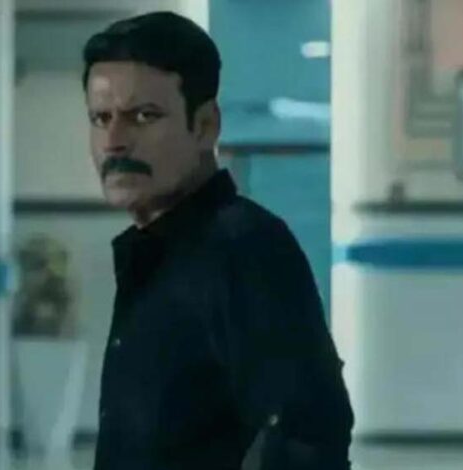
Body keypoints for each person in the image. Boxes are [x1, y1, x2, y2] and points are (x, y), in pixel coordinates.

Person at [82, 11, 353, 470]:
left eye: (143, 116)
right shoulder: (154, 256)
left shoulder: (245, 249)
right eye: (100, 118)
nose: (114, 141)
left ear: (205, 125)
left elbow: (306, 434)